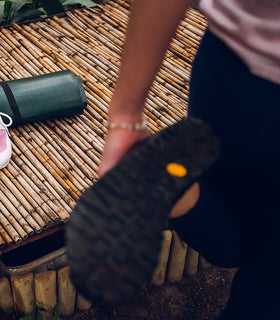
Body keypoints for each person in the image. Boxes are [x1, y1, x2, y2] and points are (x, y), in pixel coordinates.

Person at [66, 0, 280, 319]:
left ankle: (178, 189)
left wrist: (125, 116)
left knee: (233, 244)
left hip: (234, 79)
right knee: (267, 283)